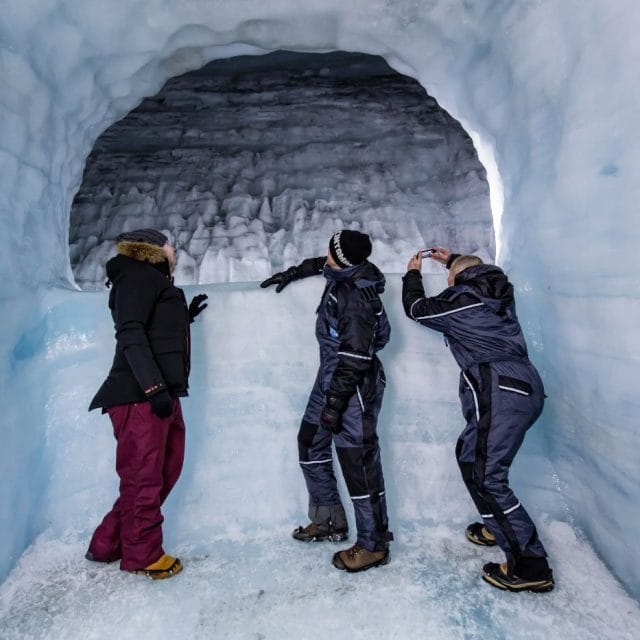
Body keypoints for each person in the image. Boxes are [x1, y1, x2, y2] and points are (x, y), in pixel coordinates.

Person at [401, 247, 554, 593]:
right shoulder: (499, 293)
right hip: (521, 386)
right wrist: (454, 258)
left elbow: (416, 309)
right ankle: (499, 526)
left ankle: (530, 566)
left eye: (450, 278)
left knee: (487, 476)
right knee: (471, 458)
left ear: (456, 280)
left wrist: (412, 274)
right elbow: (473, 271)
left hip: (498, 388)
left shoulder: (462, 299)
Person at [261, 230, 393, 572]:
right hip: (331, 380)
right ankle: (329, 519)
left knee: (358, 462)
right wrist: (294, 272)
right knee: (311, 442)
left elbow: (356, 357)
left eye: (331, 249)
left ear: (342, 258)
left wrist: (334, 403)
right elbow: (324, 264)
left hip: (353, 387)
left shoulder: (353, 297)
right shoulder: (346, 271)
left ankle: (373, 545)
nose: (325, 254)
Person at [86, 228, 208, 580]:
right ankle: (143, 554)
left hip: (159, 394)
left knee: (165, 469)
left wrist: (184, 316)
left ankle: (109, 542)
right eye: (169, 243)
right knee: (143, 478)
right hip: (140, 396)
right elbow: (131, 332)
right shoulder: (135, 276)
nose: (174, 248)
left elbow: (152, 327)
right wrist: (153, 388)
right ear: (152, 248)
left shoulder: (149, 280)